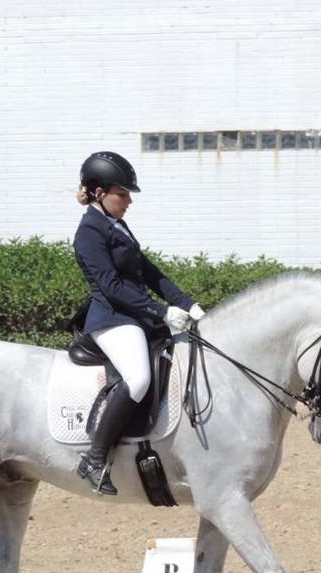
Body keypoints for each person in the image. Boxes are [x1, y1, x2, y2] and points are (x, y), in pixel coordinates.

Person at [72, 151, 205, 495]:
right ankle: (95, 458)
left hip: (136, 315)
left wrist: (189, 304)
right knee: (139, 378)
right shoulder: (88, 232)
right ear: (100, 193)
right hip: (112, 319)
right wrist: (161, 312)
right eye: (123, 193)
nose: (129, 200)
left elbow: (149, 272)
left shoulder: (117, 225)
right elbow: (111, 287)